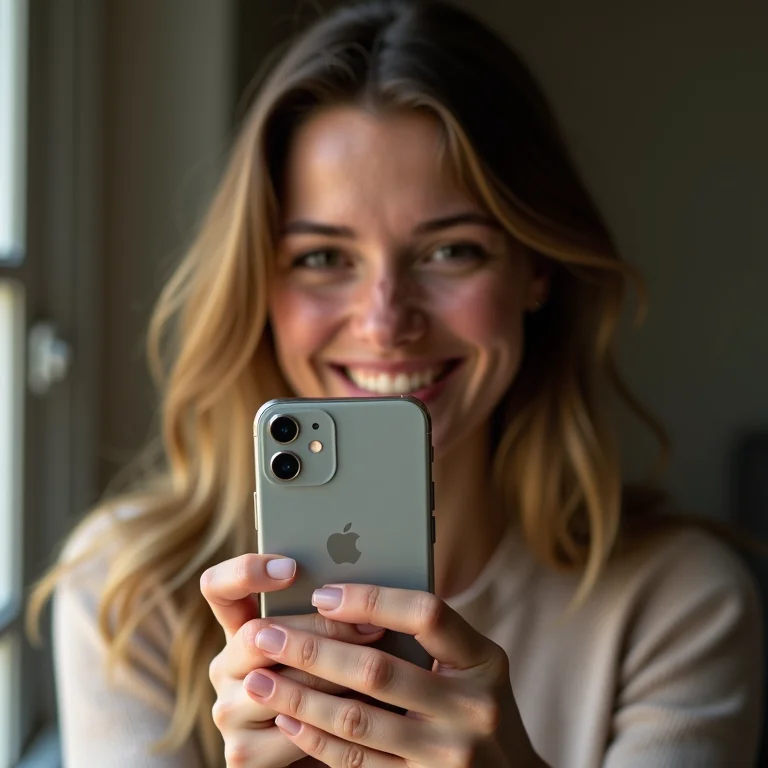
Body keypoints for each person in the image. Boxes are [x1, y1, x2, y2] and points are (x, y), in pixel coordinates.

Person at [29, 1, 763, 766]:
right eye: (323, 257)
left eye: (451, 251)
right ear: (260, 287)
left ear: (535, 270)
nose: (386, 321)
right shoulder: (129, 591)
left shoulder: (680, 604)